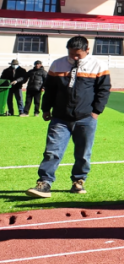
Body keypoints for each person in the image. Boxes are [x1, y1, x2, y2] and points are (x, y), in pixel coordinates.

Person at [26, 36, 111, 198]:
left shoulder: (98, 65)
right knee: (52, 151)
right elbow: (50, 89)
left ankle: (78, 181)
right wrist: (46, 108)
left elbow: (104, 90)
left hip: (86, 118)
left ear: (87, 50)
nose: (74, 57)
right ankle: (44, 183)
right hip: (60, 118)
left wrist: (96, 112)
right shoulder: (57, 64)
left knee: (83, 153)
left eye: (78, 54)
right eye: (71, 54)